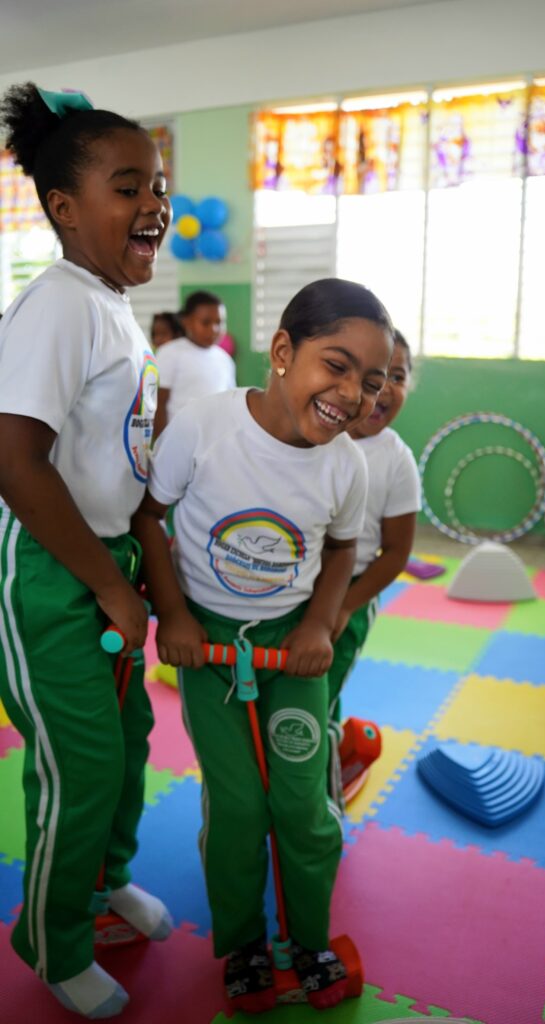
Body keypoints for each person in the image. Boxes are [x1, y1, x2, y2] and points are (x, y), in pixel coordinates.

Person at [131, 278, 394, 1013]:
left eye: (370, 384)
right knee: (241, 806)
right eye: (335, 365)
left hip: (290, 648)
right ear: (282, 351)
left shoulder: (347, 462)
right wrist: (173, 616)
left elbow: (342, 550)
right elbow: (151, 518)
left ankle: (308, 938)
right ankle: (245, 942)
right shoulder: (206, 428)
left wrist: (318, 625)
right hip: (210, 645)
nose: (352, 394)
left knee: (305, 806)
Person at [0, 82, 173, 1019]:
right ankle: (51, 939)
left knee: (127, 747)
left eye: (157, 183)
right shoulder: (59, 305)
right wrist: (109, 585)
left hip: (110, 567)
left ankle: (101, 884)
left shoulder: (113, 309)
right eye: (126, 185)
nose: (153, 201)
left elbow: (117, 456)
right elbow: (13, 462)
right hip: (52, 571)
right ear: (64, 208)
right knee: (78, 763)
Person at [327, 329, 421, 807]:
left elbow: (397, 553)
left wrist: (346, 606)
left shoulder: (397, 460)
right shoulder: (319, 437)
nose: (384, 388)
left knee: (320, 697)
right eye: (373, 377)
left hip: (353, 596)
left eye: (397, 377)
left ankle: (320, 788)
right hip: (292, 591)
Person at [153, 288, 236, 436]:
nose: (214, 329)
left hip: (214, 443)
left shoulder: (225, 360)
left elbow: (229, 404)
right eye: (205, 322)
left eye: (219, 322)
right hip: (179, 441)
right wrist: (162, 445)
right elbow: (159, 404)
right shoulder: (170, 353)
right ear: (187, 322)